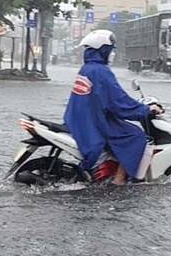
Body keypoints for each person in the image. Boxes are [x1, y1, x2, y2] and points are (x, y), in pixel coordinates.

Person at [63, 29, 162, 185]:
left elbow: (108, 99)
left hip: (79, 118)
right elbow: (118, 102)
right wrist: (145, 109)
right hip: (95, 122)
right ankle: (119, 180)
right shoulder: (102, 72)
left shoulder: (87, 68)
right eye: (110, 49)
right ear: (103, 50)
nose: (112, 54)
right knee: (135, 135)